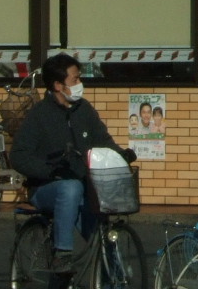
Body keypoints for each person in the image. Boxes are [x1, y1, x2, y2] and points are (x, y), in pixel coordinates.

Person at [11, 54, 125, 274]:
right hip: (45, 188)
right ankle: (62, 254)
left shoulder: (84, 109)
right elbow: (18, 155)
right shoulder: (39, 115)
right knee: (70, 187)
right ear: (57, 85)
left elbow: (102, 140)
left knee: (101, 234)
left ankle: (114, 277)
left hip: (83, 187)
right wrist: (50, 170)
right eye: (75, 80)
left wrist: (122, 155)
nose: (80, 84)